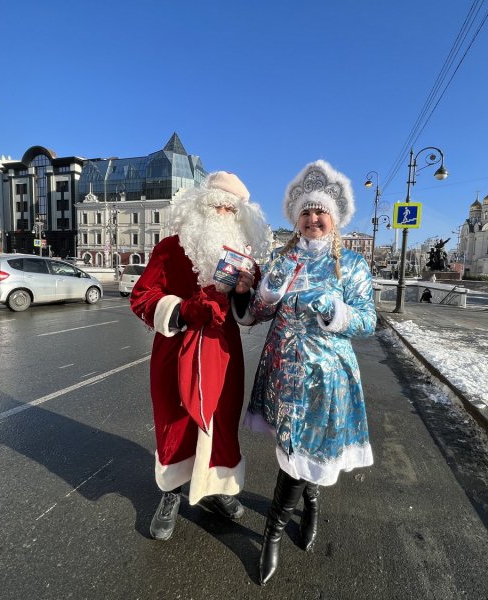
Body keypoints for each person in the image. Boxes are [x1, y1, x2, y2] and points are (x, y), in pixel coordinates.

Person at [244, 160, 376, 585]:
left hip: (328, 379)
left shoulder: (352, 265)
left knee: (301, 457)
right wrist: (261, 291)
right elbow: (257, 315)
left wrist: (337, 312)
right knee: (293, 453)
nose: (313, 218)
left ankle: (272, 535)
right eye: (306, 212)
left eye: (320, 212)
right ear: (296, 219)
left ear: (333, 219)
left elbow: (368, 321)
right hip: (283, 373)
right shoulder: (282, 259)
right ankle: (311, 501)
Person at [129, 172, 269, 541]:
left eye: (230, 208)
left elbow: (249, 314)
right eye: (216, 204)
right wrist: (183, 310)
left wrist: (242, 295)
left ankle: (218, 487)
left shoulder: (244, 259)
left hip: (222, 352)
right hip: (176, 349)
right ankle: (171, 492)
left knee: (221, 421)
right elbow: (141, 296)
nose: (222, 211)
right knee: (174, 420)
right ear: (199, 205)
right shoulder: (170, 248)